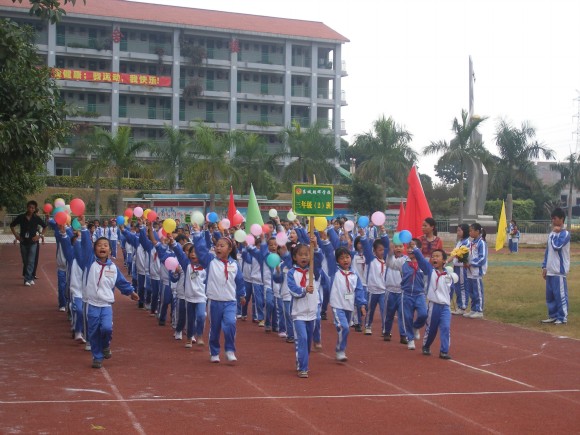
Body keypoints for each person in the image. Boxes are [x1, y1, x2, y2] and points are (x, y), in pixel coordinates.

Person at [74, 215, 139, 368]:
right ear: (95, 249)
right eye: (99, 245)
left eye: (106, 245)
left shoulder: (112, 268)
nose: (102, 247)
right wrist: (84, 229)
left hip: (106, 304)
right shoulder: (90, 263)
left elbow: (122, 283)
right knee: (93, 331)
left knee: (106, 328)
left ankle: (105, 345)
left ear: (110, 250)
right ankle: (97, 356)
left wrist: (131, 292)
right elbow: (86, 246)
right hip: (91, 304)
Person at [191, 222, 246, 363]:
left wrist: (242, 294)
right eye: (217, 246)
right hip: (214, 301)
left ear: (229, 249)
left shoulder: (234, 264)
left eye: (222, 246)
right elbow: (201, 250)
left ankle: (229, 350)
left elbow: (239, 280)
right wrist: (197, 234)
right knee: (215, 328)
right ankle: (214, 352)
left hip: (230, 302)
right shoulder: (210, 261)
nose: (218, 248)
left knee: (230, 324)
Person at [321, 241, 367, 362]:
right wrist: (325, 240)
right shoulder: (334, 271)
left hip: (349, 305)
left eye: (347, 257)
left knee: (345, 328)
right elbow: (329, 254)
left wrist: (361, 305)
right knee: (344, 327)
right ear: (337, 261)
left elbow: (359, 290)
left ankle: (341, 347)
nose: (345, 260)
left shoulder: (354, 274)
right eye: (341, 258)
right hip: (337, 305)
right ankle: (340, 350)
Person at [287, 239, 323, 378]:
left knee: (308, 342)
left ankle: (302, 359)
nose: (304, 257)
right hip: (299, 314)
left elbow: (320, 261)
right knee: (302, 338)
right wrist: (304, 290)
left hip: (312, 312)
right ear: (295, 257)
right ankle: (303, 367)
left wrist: (316, 246)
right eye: (301, 255)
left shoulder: (314, 271)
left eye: (307, 254)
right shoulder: (291, 273)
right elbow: (292, 289)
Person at [414, 248, 453, 359]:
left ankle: (444, 351)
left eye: (437, 256)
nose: (434, 258)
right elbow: (422, 261)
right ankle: (426, 346)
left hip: (445, 307)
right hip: (433, 305)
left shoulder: (448, 275)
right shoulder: (431, 271)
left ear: (444, 260)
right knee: (431, 329)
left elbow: (451, 289)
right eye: (433, 256)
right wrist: (417, 250)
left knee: (445, 327)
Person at [541, 208, 570, 325]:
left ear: (561, 219)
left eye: (555, 218)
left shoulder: (565, 234)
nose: (553, 221)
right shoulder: (552, 234)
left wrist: (554, 235)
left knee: (560, 295)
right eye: (552, 218)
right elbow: (548, 251)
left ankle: (562, 317)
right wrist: (544, 267)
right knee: (550, 295)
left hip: (559, 270)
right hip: (550, 270)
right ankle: (552, 315)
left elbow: (556, 246)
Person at [10, 200, 47, 286]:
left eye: (33, 208)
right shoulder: (21, 217)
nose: (31, 209)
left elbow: (45, 227)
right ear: (27, 207)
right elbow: (12, 225)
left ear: (35, 209)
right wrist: (16, 236)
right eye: (30, 207)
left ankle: (27, 279)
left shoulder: (36, 218)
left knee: (31, 261)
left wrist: (39, 236)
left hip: (33, 242)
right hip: (23, 242)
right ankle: (30, 278)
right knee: (26, 261)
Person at [463, 223, 487, 319]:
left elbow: (482, 258)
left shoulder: (481, 243)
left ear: (477, 231)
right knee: (471, 291)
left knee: (478, 291)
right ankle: (473, 309)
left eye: (471, 230)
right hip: (469, 270)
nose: (470, 232)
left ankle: (479, 310)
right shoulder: (472, 242)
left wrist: (471, 263)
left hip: (476, 270)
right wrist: (465, 261)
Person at [450, 224, 470, 315]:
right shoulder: (460, 241)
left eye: (459, 230)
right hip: (456, 266)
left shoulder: (466, 242)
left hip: (462, 267)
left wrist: (450, 257)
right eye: (457, 230)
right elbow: (454, 252)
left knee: (462, 286)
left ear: (464, 231)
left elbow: (459, 254)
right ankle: (459, 305)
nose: (457, 232)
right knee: (457, 286)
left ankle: (463, 306)